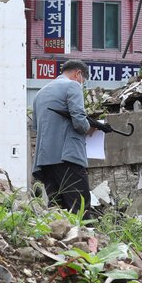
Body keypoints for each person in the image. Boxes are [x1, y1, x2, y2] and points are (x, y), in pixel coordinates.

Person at [31, 60, 96, 213]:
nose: (82, 84)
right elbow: (80, 122)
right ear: (78, 74)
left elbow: (36, 127)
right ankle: (83, 237)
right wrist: (90, 128)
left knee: (57, 211)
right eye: (83, 81)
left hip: (45, 162)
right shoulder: (72, 85)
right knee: (80, 209)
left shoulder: (39, 94)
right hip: (68, 159)